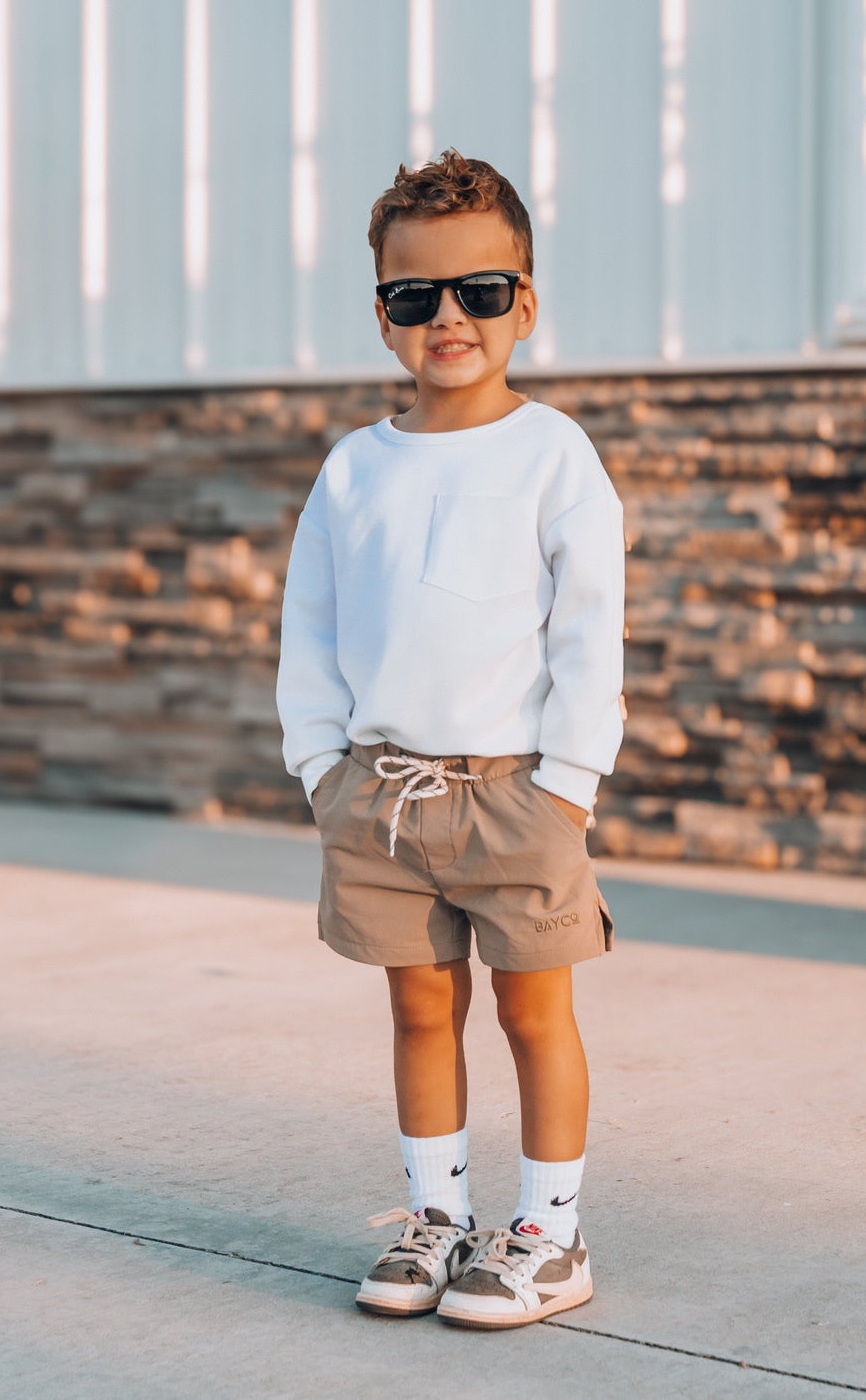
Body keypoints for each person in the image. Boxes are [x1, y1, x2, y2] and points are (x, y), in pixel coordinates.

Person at [275, 149, 625, 1330]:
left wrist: (567, 787)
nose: (448, 318)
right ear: (382, 315)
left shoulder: (552, 455)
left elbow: (589, 632)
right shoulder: (354, 468)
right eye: (414, 295)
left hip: (515, 796)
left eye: (479, 291)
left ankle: (551, 1232)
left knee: (534, 1012)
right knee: (420, 1008)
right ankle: (438, 1219)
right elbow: (309, 626)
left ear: (523, 301)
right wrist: (322, 768)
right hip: (379, 796)